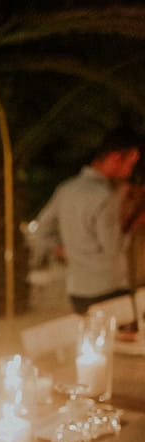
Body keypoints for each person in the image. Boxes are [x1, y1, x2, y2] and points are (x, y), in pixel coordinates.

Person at [31, 128, 141, 314]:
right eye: (130, 164)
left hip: (78, 290)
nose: (130, 172)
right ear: (115, 158)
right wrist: (134, 222)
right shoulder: (106, 197)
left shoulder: (66, 189)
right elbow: (113, 247)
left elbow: (41, 231)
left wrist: (62, 249)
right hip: (110, 289)